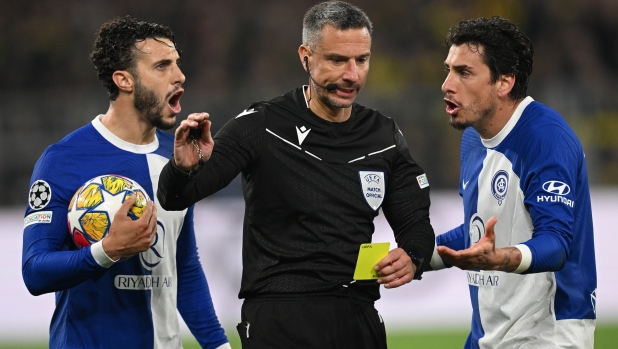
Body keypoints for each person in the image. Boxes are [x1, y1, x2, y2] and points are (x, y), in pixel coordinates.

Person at [157, 1, 434, 348]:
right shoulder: (262, 126)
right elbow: (175, 197)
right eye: (336, 60)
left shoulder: (383, 135)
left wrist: (414, 256)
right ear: (306, 57)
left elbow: (416, 222)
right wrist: (183, 168)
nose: (352, 75)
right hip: (280, 320)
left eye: (361, 60)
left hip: (358, 317)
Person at [21, 16, 230, 349]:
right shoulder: (64, 159)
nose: (180, 76)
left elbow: (184, 267)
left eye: (177, 64)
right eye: (162, 66)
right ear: (124, 80)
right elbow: (34, 270)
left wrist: (218, 345)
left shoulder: (175, 157)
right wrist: (107, 250)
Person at [428, 16, 597, 348]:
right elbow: (478, 232)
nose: (447, 84)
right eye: (448, 69)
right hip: (486, 337)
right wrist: (414, 256)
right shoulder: (473, 139)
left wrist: (499, 258)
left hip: (547, 336)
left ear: (504, 83)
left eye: (464, 72)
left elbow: (557, 243)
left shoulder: (547, 139)